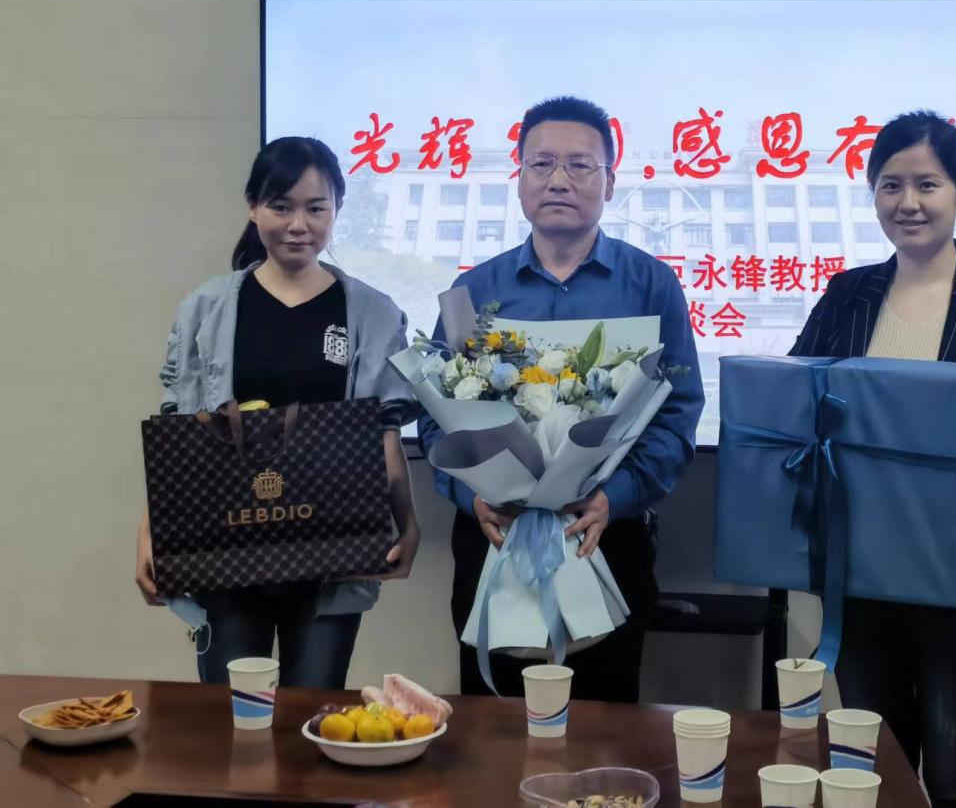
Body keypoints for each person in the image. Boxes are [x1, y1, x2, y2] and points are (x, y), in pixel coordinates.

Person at [791, 111, 956, 807]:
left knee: (954, 767)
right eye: (890, 185)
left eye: (927, 184)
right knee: (870, 767)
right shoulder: (847, 293)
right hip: (859, 570)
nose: (907, 202)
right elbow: (790, 407)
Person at [418, 95, 705, 702]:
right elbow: (435, 415)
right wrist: (471, 495)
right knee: (492, 728)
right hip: (495, 533)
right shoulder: (474, 290)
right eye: (542, 163)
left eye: (580, 165)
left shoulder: (651, 284)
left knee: (606, 729)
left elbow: (678, 413)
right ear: (520, 177)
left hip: (606, 532)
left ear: (610, 182)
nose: (558, 180)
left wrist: (613, 497)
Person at [134, 136, 421, 689]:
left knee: (313, 707)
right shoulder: (208, 308)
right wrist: (151, 533)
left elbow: (383, 432)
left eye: (316, 208)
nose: (298, 225)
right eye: (281, 206)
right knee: (232, 709)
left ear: (337, 209)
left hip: (332, 552)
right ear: (253, 207)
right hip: (226, 546)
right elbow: (180, 436)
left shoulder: (371, 312)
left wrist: (408, 524)